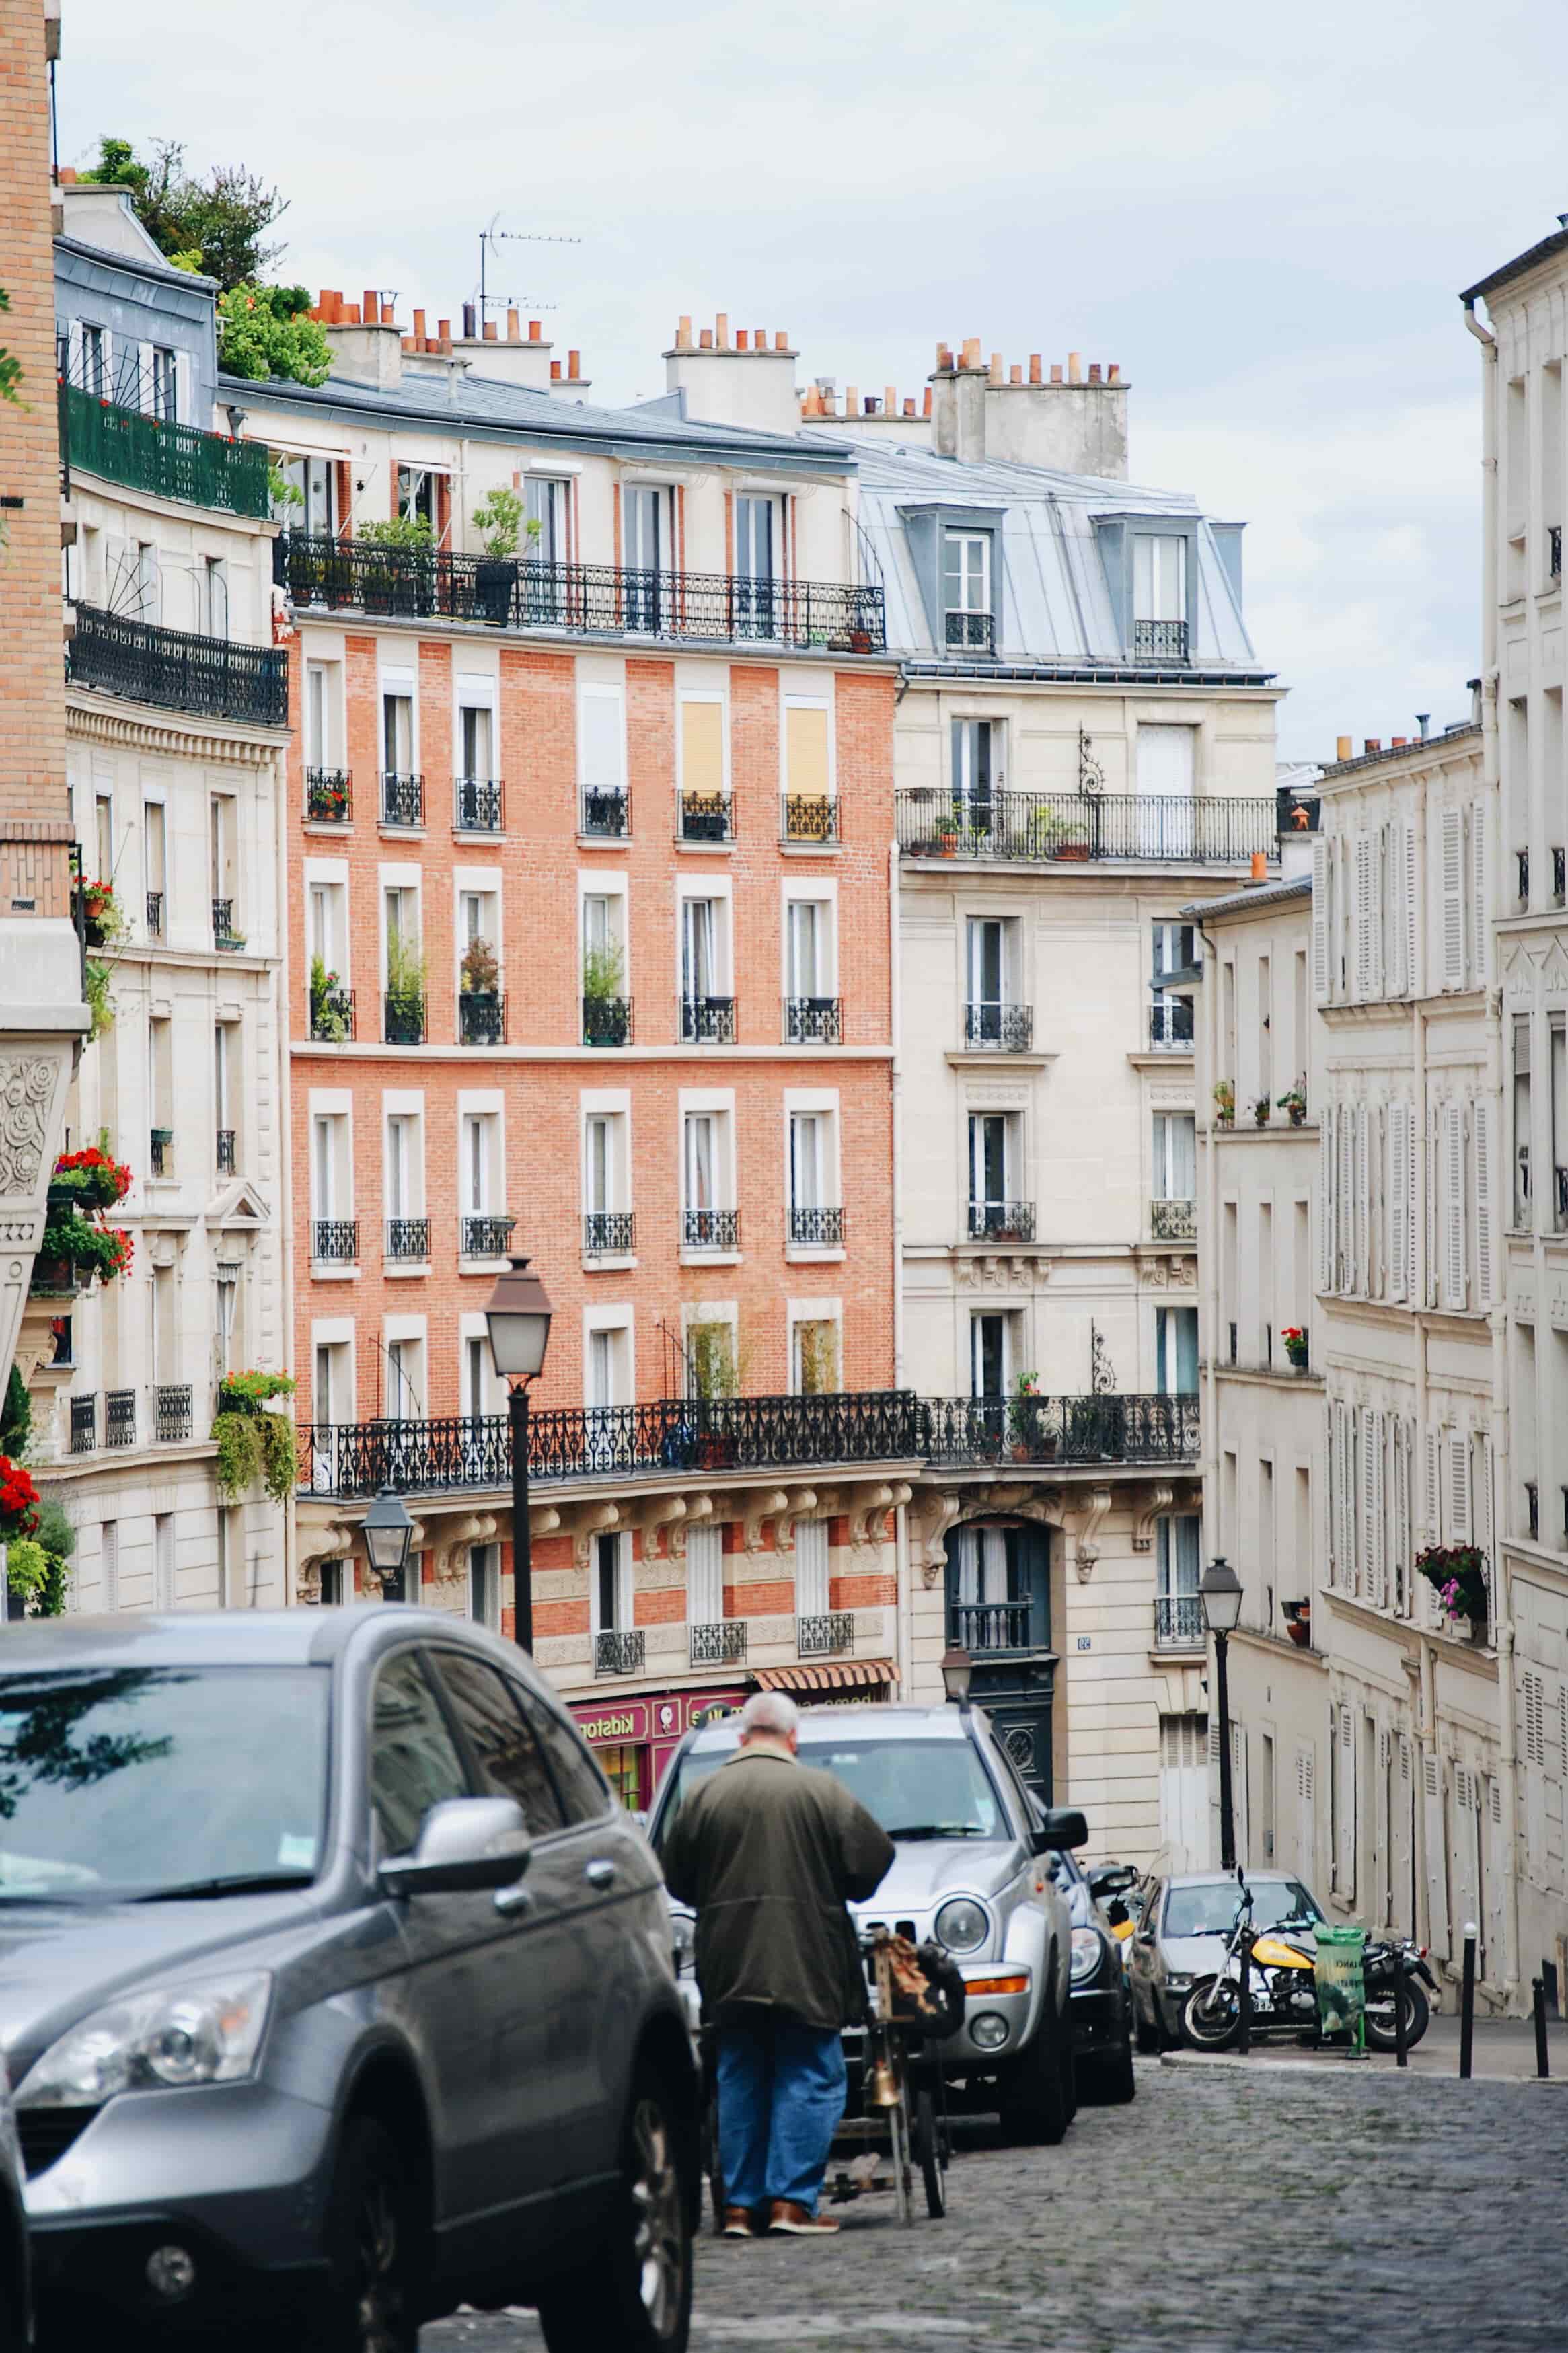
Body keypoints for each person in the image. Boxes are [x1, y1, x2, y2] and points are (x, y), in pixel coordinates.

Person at [661, 1689, 893, 2239]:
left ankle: (740, 2207)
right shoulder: (820, 1791)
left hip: (728, 1959)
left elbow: (676, 1878)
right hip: (805, 1956)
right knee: (810, 2071)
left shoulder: (703, 1794)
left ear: (742, 1738)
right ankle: (791, 2202)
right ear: (793, 1739)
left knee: (739, 2073)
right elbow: (871, 1863)